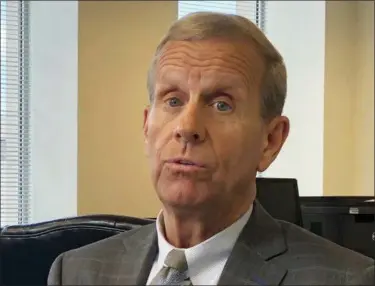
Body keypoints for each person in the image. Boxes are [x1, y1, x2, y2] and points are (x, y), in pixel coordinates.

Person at [48, 12, 374, 285]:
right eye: (173, 100)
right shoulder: (76, 272)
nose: (187, 128)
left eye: (221, 105)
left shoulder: (347, 279)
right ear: (147, 126)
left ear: (271, 141)